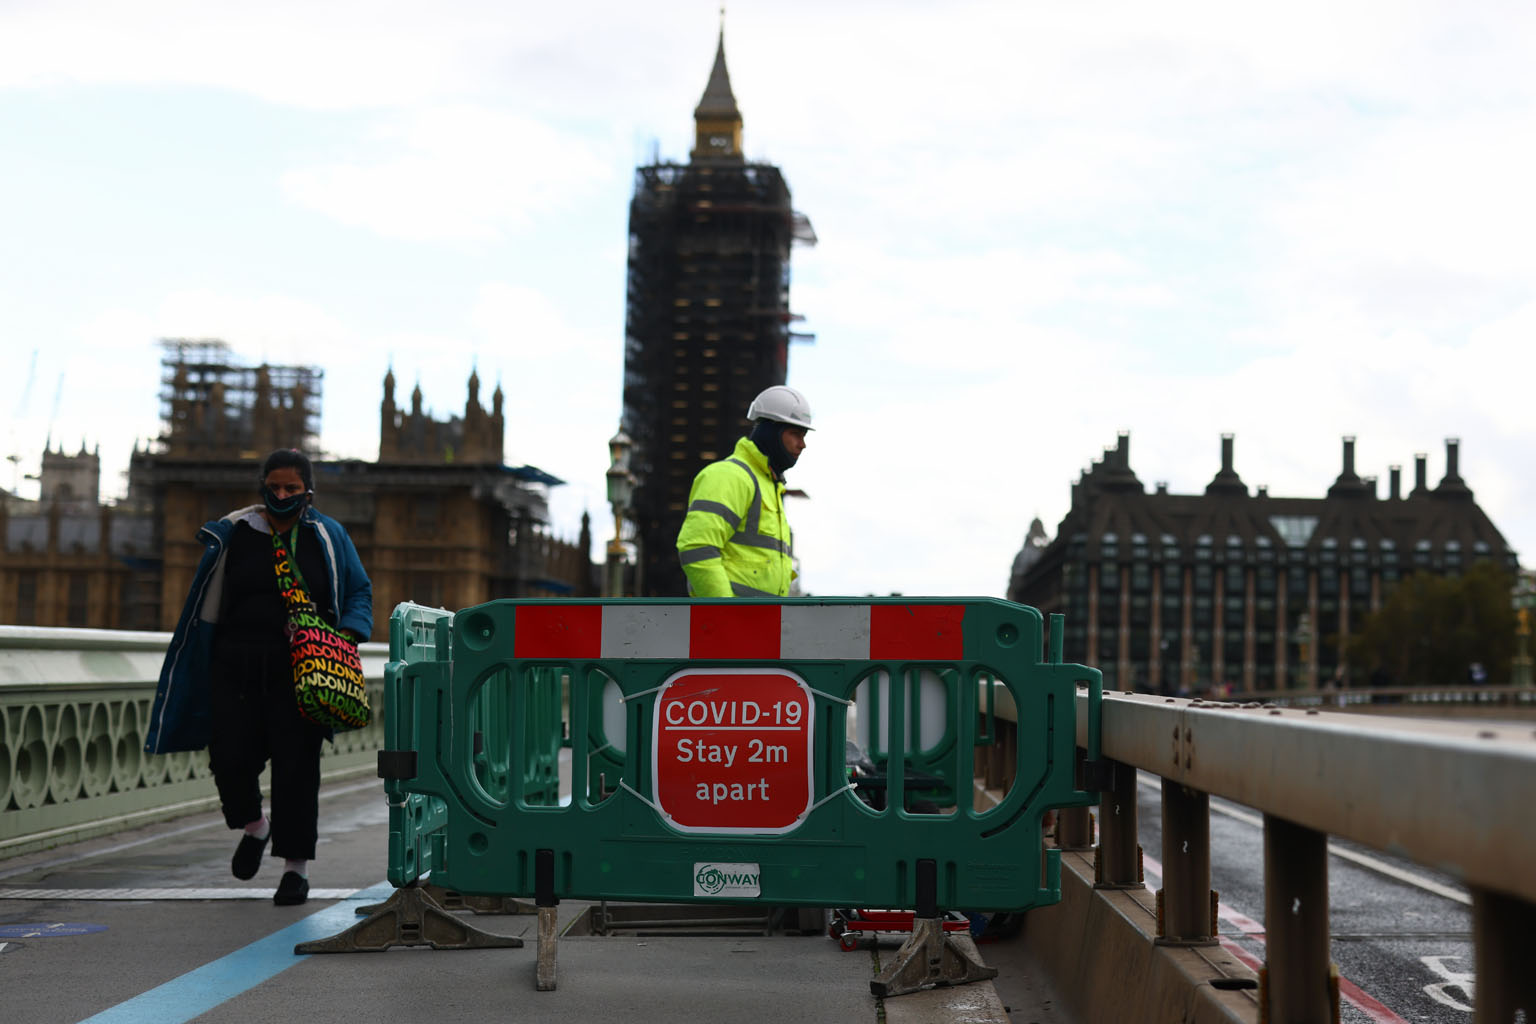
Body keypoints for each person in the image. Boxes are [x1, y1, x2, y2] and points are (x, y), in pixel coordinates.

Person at [145, 449, 372, 906]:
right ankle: (254, 826)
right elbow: (204, 599)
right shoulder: (235, 533)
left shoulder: (328, 535)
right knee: (228, 757)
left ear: (308, 490)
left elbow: (358, 589)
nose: (282, 495)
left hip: (302, 669)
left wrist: (346, 633)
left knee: (297, 768)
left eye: (291, 488)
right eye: (274, 487)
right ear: (262, 487)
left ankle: (295, 870)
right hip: (234, 666)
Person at [676, 385, 811, 597]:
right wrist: (727, 616)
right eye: (795, 434)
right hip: (733, 625)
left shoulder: (769, 486)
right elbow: (697, 547)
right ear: (771, 432)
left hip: (760, 625)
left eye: (804, 436)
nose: (802, 444)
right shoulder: (730, 476)